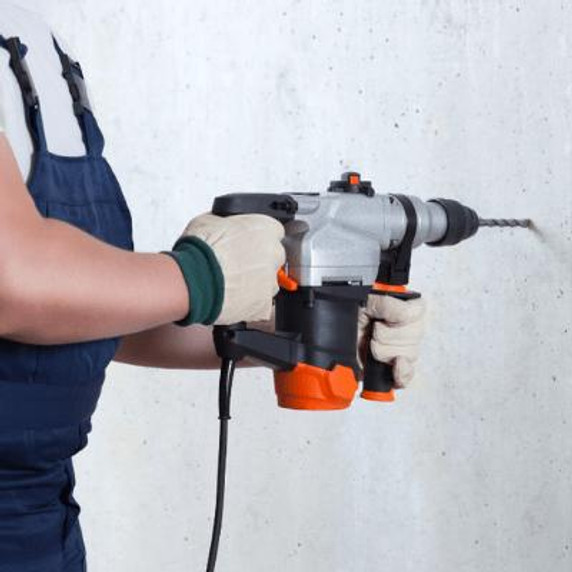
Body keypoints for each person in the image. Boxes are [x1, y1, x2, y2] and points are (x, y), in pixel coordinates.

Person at [0, 3, 427, 571]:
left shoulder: (38, 42)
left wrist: (303, 326)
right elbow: (12, 284)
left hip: (43, 524)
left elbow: (85, 322)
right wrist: (200, 276)